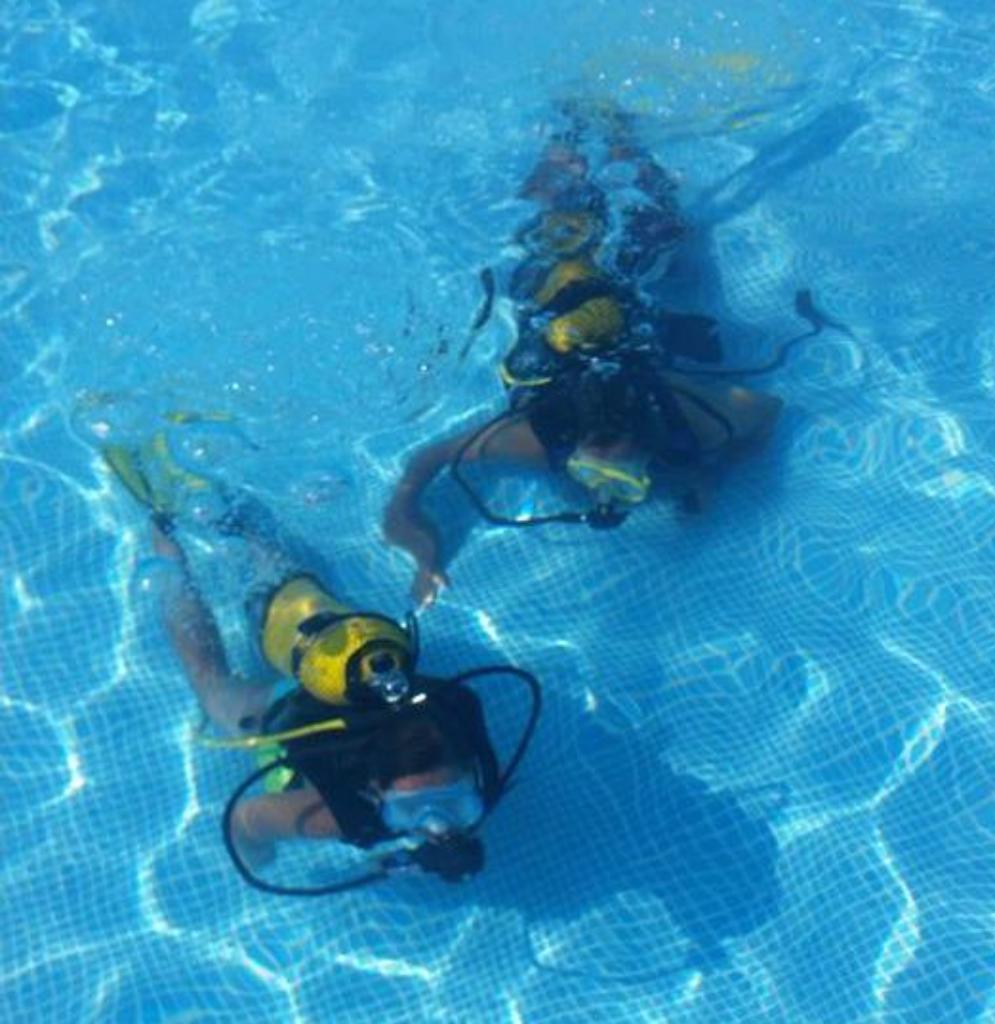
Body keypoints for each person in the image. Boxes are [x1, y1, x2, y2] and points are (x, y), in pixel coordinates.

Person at [103, 426, 540, 895]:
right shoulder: (333, 817)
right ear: (372, 794)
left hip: (357, 658)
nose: (440, 826)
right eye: (419, 810)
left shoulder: (473, 765)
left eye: (454, 803)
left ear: (468, 773)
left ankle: (237, 519)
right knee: (213, 689)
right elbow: (245, 825)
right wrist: (260, 859)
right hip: (291, 705)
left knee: (295, 586)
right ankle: (166, 544)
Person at [384, 101, 788, 607]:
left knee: (624, 217)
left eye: (605, 470)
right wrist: (424, 556)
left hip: (566, 294)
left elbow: (768, 414)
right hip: (577, 297)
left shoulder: (680, 413)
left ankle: (604, 130)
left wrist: (712, 473)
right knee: (618, 223)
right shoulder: (531, 439)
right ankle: (574, 130)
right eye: (602, 469)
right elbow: (421, 466)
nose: (602, 486)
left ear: (647, 435)